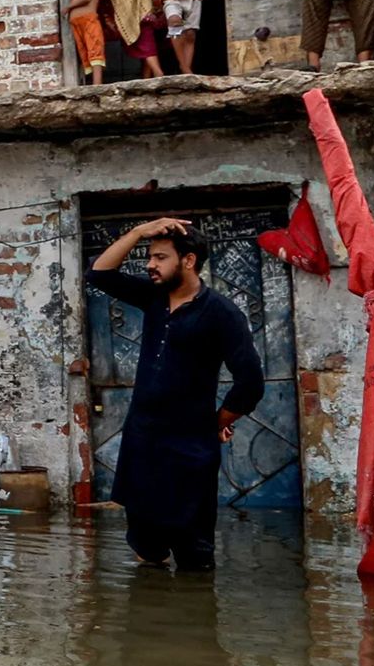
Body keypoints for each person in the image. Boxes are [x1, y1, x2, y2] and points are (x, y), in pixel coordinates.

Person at [86, 219, 265, 570]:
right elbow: (99, 274)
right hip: (142, 442)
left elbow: (251, 382)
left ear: (189, 260)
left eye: (160, 257)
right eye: (150, 257)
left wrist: (218, 421)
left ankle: (196, 620)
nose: (150, 265)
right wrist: (138, 231)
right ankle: (151, 618)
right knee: (145, 546)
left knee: (194, 553)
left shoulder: (221, 313)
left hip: (190, 449)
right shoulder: (152, 297)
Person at [68, 0, 107, 85]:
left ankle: (97, 84)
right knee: (84, 51)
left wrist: (69, 7)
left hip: (88, 20)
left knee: (94, 49)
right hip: (79, 22)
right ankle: (90, 82)